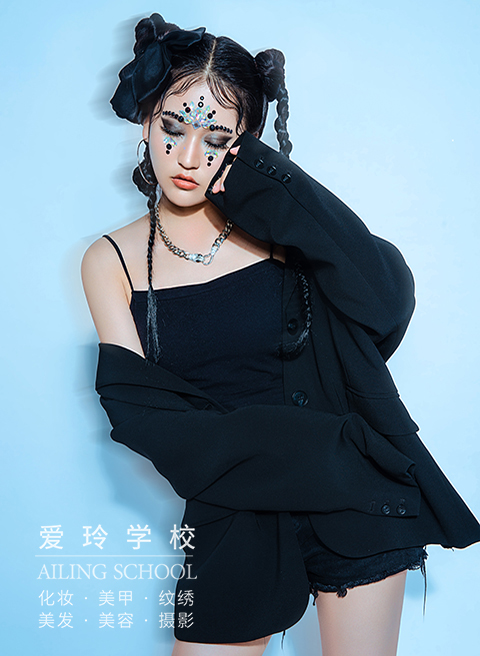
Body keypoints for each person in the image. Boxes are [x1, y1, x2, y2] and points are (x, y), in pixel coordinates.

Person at [82, 13, 480, 656]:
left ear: (246, 144)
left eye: (217, 138)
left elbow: (384, 300)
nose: (189, 158)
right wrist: (308, 442)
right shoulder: (112, 260)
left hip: (352, 495)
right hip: (234, 502)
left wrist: (268, 187)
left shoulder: (282, 227)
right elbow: (139, 413)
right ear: (146, 121)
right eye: (173, 128)